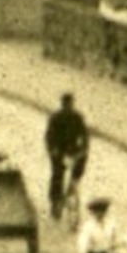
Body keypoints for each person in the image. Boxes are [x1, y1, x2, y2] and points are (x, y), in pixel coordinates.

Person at [45, 92, 89, 220]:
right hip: (58, 150)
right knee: (57, 174)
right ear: (62, 104)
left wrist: (84, 149)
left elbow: (85, 135)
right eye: (66, 105)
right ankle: (55, 201)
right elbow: (49, 136)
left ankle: (73, 185)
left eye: (70, 104)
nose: (68, 107)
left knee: (79, 167)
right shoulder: (55, 118)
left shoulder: (78, 117)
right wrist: (52, 150)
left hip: (73, 150)